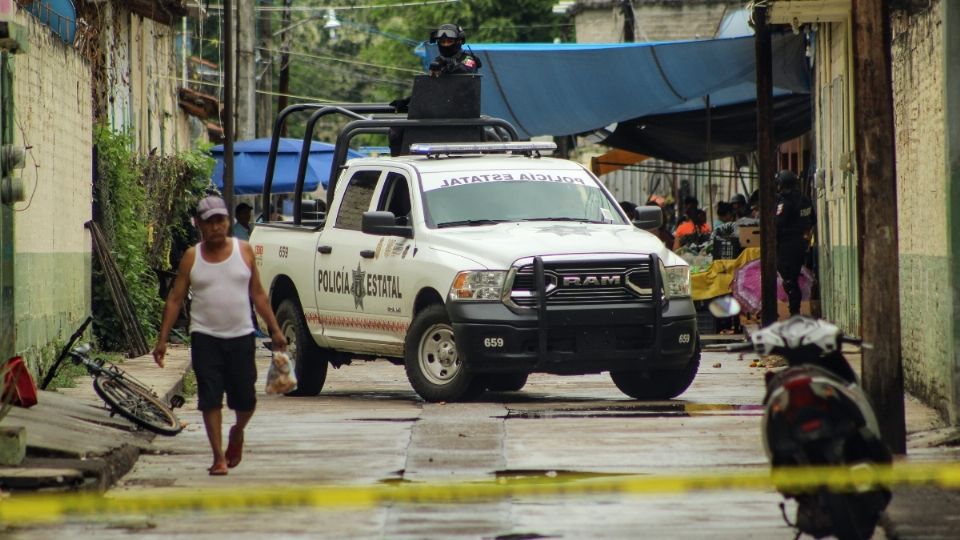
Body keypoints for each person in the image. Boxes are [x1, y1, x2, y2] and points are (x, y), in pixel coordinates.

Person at [152, 196, 288, 476]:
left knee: (246, 400)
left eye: (220, 221)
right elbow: (176, 298)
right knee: (210, 398)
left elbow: (258, 294)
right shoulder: (192, 257)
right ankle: (218, 457)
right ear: (200, 224)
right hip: (205, 338)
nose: (216, 227)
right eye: (209, 222)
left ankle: (237, 431)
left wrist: (275, 329)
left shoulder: (245, 251)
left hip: (241, 336)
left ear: (227, 222)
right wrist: (162, 340)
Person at [775, 170, 815, 317]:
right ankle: (795, 310)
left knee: (788, 279)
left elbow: (778, 223)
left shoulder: (784, 201)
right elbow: (812, 220)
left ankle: (794, 311)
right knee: (793, 276)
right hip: (800, 244)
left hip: (786, 245)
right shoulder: (805, 199)